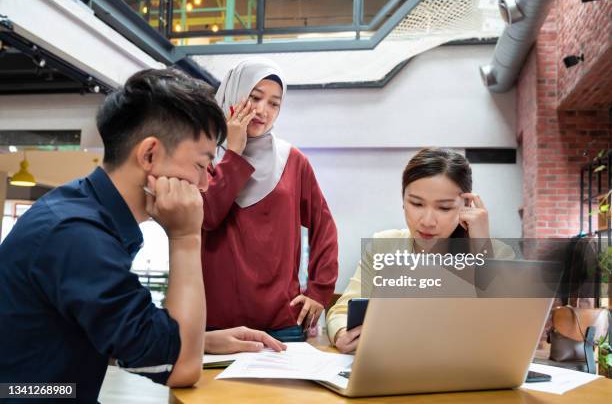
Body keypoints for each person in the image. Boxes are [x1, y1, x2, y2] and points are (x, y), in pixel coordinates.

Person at [0, 68, 284, 403]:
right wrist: (186, 237)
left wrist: (202, 340)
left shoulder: (83, 212)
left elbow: (112, 335)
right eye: (202, 166)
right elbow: (181, 369)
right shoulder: (78, 236)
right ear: (149, 155)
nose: (207, 184)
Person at [326, 148, 515, 353]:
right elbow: (340, 312)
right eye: (416, 203)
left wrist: (481, 249)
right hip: (392, 369)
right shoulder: (383, 246)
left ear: (467, 206)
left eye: (444, 208)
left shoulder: (496, 253)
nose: (427, 221)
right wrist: (342, 333)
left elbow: (509, 329)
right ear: (403, 200)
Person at [202, 58, 339, 341]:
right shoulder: (202, 157)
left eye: (274, 103)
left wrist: (319, 291)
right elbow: (207, 216)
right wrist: (234, 154)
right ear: (233, 94)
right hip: (216, 326)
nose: (263, 111)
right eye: (254, 97)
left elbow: (324, 226)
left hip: (283, 322)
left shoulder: (292, 160)